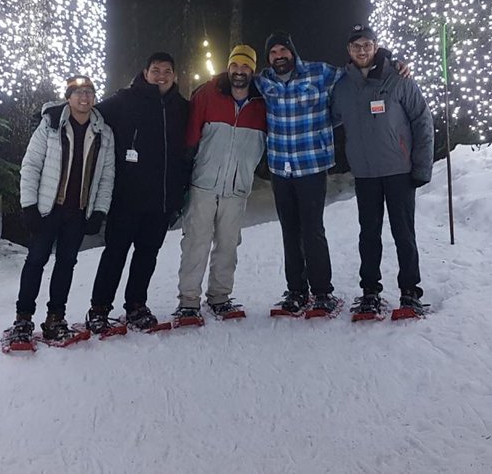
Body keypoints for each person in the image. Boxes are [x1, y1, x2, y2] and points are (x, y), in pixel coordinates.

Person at [4, 75, 115, 348]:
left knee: (66, 265)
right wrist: (29, 206)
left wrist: (98, 211)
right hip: (47, 210)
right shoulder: (50, 124)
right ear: (68, 97)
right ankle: (23, 319)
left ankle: (56, 319)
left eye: (89, 92)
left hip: (77, 212)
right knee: (36, 261)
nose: (84, 98)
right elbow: (30, 166)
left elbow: (106, 177)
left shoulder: (103, 132)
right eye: (78, 93)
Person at [330, 24, 433, 318]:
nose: (362, 50)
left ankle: (410, 291)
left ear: (375, 46)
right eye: (355, 46)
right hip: (365, 174)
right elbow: (330, 118)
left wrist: (421, 166)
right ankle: (370, 292)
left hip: (399, 170)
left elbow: (422, 121)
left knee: (404, 233)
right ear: (348, 50)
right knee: (369, 235)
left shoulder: (398, 79)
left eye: (367, 44)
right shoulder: (343, 86)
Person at [87, 52, 190, 333]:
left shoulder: (181, 108)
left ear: (175, 75)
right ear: (145, 73)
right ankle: (99, 308)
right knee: (115, 253)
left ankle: (135, 305)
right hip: (126, 198)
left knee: (147, 255)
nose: (161, 76)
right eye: (155, 70)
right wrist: (57, 112)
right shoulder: (124, 101)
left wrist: (179, 195)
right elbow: (89, 113)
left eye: (167, 71)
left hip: (161, 200)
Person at [254, 32, 345, 316]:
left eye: (284, 50)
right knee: (289, 231)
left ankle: (322, 293)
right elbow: (233, 82)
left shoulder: (320, 73)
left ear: (293, 52)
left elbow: (354, 75)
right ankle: (296, 291)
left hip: (311, 165)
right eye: (273, 52)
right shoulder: (263, 81)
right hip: (281, 168)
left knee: (312, 229)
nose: (279, 55)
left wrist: (389, 61)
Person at [174, 44, 267, 322]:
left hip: (237, 188)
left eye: (245, 67)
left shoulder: (263, 102)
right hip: (204, 184)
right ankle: (189, 300)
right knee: (196, 242)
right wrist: (186, 175)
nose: (239, 72)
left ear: (253, 69)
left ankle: (219, 296)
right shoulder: (207, 94)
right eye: (235, 66)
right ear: (229, 67)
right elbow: (191, 138)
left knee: (228, 244)